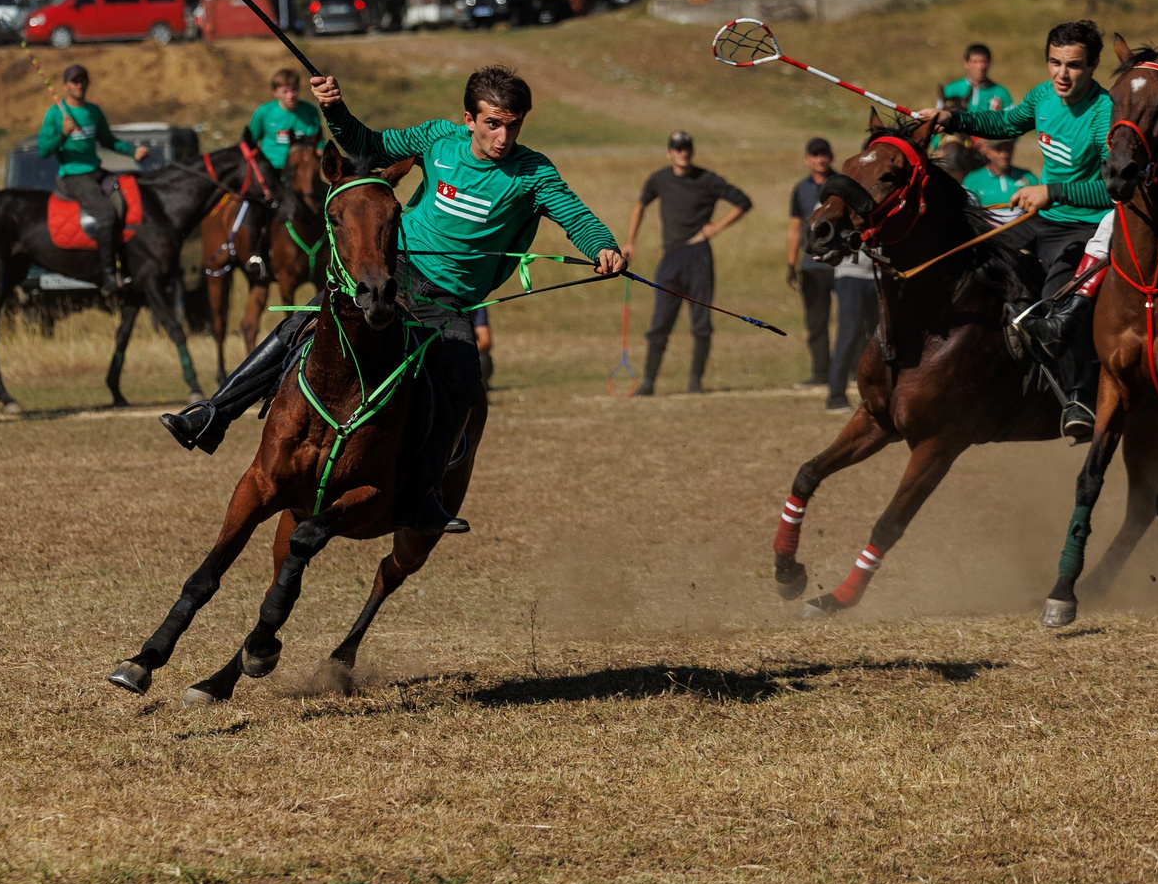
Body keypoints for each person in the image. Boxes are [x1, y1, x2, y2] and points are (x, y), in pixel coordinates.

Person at [160, 65, 627, 536]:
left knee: (464, 378)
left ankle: (422, 499)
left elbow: (577, 217)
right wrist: (333, 107)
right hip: (393, 272)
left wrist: (602, 246)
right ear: (469, 118)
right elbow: (368, 146)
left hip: (448, 301)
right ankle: (213, 413)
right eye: (492, 123)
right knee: (302, 323)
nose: (503, 136)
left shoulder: (533, 173)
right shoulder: (437, 141)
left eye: (513, 124)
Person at [928, 18, 1117, 440]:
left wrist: (1052, 190)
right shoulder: (1043, 95)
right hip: (1039, 219)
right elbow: (1004, 124)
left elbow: (1114, 189)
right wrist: (950, 120)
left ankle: (1079, 397)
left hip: (1082, 229)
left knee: (1056, 308)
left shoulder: (1105, 113)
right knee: (968, 258)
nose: (1061, 75)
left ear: (1093, 66)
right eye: (1054, 62)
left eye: (1073, 66)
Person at [624, 130, 751, 395]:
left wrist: (714, 229)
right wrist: (630, 243)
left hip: (699, 256)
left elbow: (743, 202)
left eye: (687, 148)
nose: (683, 152)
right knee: (660, 322)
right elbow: (640, 206)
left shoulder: (707, 179)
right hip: (670, 257)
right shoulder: (659, 179)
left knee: (701, 323)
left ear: (691, 151)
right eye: (678, 148)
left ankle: (695, 382)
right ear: (669, 152)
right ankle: (648, 383)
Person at [37, 64, 149, 294]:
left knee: (131, 201)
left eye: (82, 80)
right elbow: (43, 150)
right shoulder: (56, 113)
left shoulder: (93, 111)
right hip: (73, 176)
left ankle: (130, 262)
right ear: (65, 86)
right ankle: (108, 276)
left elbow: (109, 141)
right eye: (74, 81)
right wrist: (62, 134)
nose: (79, 85)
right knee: (106, 215)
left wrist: (132, 152)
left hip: (97, 172)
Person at [238, 69, 321, 281]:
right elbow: (249, 143)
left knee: (328, 200)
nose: (290, 95)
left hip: (302, 174)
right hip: (272, 172)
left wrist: (318, 153)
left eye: (294, 90)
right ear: (276, 92)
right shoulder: (264, 113)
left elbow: (319, 142)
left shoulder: (310, 112)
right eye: (285, 91)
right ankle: (256, 253)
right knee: (256, 204)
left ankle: (330, 252)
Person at [786, 137, 838, 390]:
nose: (820, 159)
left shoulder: (841, 185)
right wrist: (791, 263)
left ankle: (850, 369)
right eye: (815, 155)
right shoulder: (800, 189)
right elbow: (795, 226)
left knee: (852, 319)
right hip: (811, 267)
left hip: (840, 264)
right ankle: (820, 372)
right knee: (817, 322)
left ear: (831, 156)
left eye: (824, 154)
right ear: (808, 159)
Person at [935, 43, 1012, 171]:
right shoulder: (951, 89)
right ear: (966, 63)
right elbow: (937, 121)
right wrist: (937, 148)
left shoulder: (1001, 93)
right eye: (975, 62)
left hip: (985, 158)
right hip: (955, 155)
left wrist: (993, 143)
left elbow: (1013, 125)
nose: (980, 67)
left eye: (983, 62)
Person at [828, 221, 879, 413]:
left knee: (880, 337)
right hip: (850, 275)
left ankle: (876, 394)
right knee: (849, 333)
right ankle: (836, 396)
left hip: (880, 275)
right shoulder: (843, 202)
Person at [961, 138, 1037, 224]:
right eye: (998, 150)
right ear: (988, 153)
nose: (1004, 155)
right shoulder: (972, 180)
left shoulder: (1029, 177)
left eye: (1007, 149)